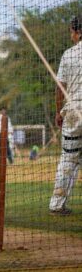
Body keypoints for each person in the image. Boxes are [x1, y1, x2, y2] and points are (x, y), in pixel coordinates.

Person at [49, 15, 81, 216]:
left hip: (73, 112)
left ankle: (57, 204)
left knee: (69, 159)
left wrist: (57, 111)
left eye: (71, 31)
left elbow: (60, 87)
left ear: (77, 33)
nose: (71, 35)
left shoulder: (69, 55)